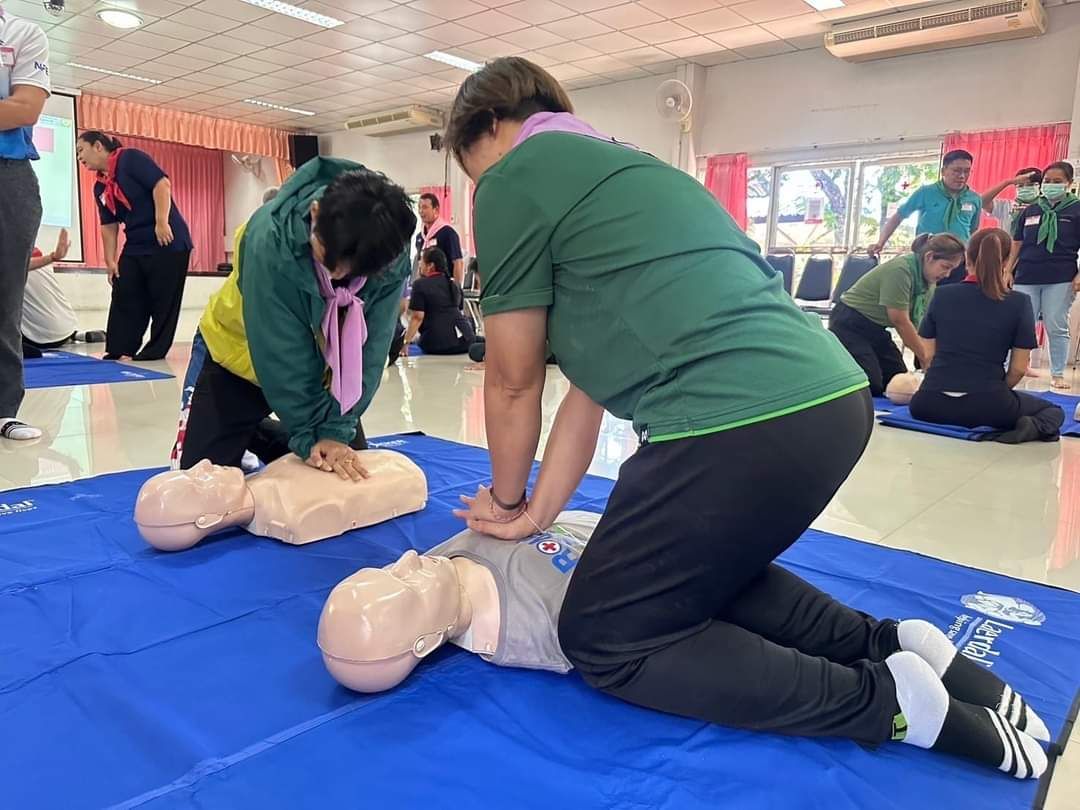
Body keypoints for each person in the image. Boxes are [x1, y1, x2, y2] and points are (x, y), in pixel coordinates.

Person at [442, 57, 1044, 777]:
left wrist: (506, 501)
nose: (480, 187)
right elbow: (586, 394)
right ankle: (893, 645)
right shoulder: (633, 169)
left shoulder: (515, 179)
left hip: (736, 426)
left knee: (606, 634)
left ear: (489, 127)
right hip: (833, 401)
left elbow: (512, 380)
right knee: (696, 577)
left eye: (473, 170)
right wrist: (536, 513)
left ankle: (886, 703)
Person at [319, 512, 1050, 778]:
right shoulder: (523, 632)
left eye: (388, 569)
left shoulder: (447, 551)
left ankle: (887, 647)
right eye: (403, 587)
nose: (408, 562)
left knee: (734, 579)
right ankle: (890, 696)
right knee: (691, 636)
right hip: (653, 601)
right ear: (425, 639)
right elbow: (661, 639)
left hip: (657, 544)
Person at [178, 157, 415, 478]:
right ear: (315, 213)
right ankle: (243, 426)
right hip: (238, 355)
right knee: (198, 483)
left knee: (344, 477)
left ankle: (257, 431)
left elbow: (370, 348)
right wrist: (309, 435)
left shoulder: (386, 248)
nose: (337, 276)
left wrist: (336, 429)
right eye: (328, 259)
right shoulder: (269, 240)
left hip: (325, 367)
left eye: (353, 271)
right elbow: (281, 353)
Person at [911, 229, 1065, 442]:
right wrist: (996, 393)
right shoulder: (1018, 302)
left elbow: (927, 356)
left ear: (967, 258)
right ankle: (1031, 428)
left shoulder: (942, 294)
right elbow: (1018, 369)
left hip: (928, 404)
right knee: (1054, 412)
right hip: (989, 406)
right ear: (1006, 261)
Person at [135, 450, 427, 551]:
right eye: (198, 481)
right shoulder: (293, 515)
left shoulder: (267, 479)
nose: (205, 464)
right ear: (206, 520)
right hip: (399, 473)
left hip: (393, 466)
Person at [76, 131, 193, 361]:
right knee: (125, 290)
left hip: (167, 239)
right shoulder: (99, 187)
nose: (79, 157)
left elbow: (161, 184)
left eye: (81, 150)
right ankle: (119, 347)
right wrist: (110, 260)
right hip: (136, 243)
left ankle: (155, 350)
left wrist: (161, 222)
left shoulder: (129, 158)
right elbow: (108, 225)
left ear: (98, 146)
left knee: (163, 299)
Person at [0, 4, 51, 441]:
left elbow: (24, 108)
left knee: (4, 297)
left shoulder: (21, 33)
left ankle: (2, 410)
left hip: (7, 173)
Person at [830, 233, 965, 396]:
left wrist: (933, 361)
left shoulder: (929, 281)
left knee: (897, 380)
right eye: (945, 267)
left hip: (876, 329)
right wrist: (925, 358)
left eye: (951, 269)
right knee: (871, 384)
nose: (947, 274)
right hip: (849, 323)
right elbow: (900, 321)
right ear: (929, 257)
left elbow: (921, 326)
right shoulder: (901, 270)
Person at [870, 151, 1022, 283]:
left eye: (967, 171)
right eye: (956, 170)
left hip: (959, 260)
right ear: (943, 171)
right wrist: (880, 242)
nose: (962, 176)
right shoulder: (926, 192)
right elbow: (899, 216)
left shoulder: (974, 198)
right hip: (929, 257)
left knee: (953, 298)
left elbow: (973, 230)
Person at [1008, 161, 1080, 391]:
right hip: (1026, 274)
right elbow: (1017, 242)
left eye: (1057, 181)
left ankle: (1057, 374)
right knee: (1020, 323)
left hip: (1061, 275)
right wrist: (1007, 270)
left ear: (1069, 183)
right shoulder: (1031, 209)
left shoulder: (1076, 209)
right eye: (1047, 181)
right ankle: (1013, 367)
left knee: (1055, 324)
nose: (1050, 185)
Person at [21, 229, 106, 360]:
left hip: (37, 339)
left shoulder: (11, 262)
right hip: (67, 328)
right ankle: (75, 336)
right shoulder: (33, 256)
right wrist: (52, 257)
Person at [401, 247, 475, 356]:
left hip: (435, 344)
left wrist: (405, 343)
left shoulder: (420, 285)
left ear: (430, 265)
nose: (419, 264)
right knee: (482, 341)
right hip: (465, 340)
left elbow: (417, 317)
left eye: (422, 261)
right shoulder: (453, 284)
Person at [415, 192, 464, 286]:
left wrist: (457, 289)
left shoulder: (448, 233)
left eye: (425, 207)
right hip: (426, 286)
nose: (421, 211)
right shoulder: (420, 237)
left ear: (436, 209)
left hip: (443, 285)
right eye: (419, 207)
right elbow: (420, 265)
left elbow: (458, 262)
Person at [986, 167, 1042, 233]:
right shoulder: (1006, 206)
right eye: (1020, 185)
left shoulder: (1045, 207)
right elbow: (983, 201)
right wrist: (1008, 182)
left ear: (1040, 186)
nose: (1025, 188)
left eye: (1030, 185)